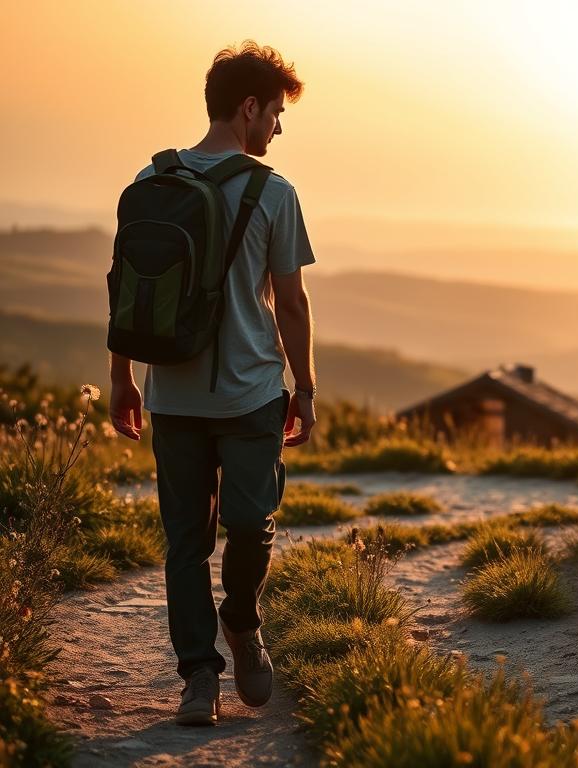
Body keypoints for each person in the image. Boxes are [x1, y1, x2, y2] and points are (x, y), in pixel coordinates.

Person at [107, 40, 317, 726]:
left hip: (180, 392)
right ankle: (204, 670)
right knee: (238, 529)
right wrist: (306, 389)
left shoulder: (149, 179)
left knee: (202, 538)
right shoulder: (274, 192)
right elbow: (290, 302)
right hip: (244, 393)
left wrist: (124, 379)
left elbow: (125, 294)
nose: (278, 128)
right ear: (248, 108)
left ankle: (232, 633)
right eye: (276, 113)